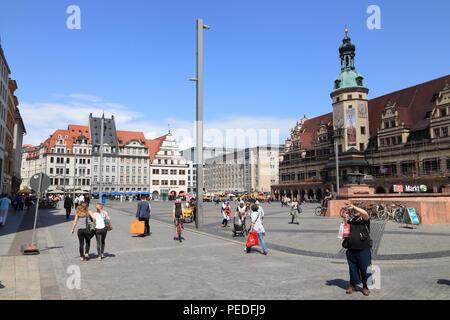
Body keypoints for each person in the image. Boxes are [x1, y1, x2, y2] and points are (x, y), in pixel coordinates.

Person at [341, 203, 372, 297]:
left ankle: (365, 287)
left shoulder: (365, 221)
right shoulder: (350, 221)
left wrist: (354, 206)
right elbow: (344, 234)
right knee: (352, 269)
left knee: (364, 269)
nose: (355, 212)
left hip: (363, 250)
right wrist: (344, 219)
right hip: (351, 250)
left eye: (357, 211)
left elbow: (365, 213)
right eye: (354, 211)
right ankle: (352, 285)